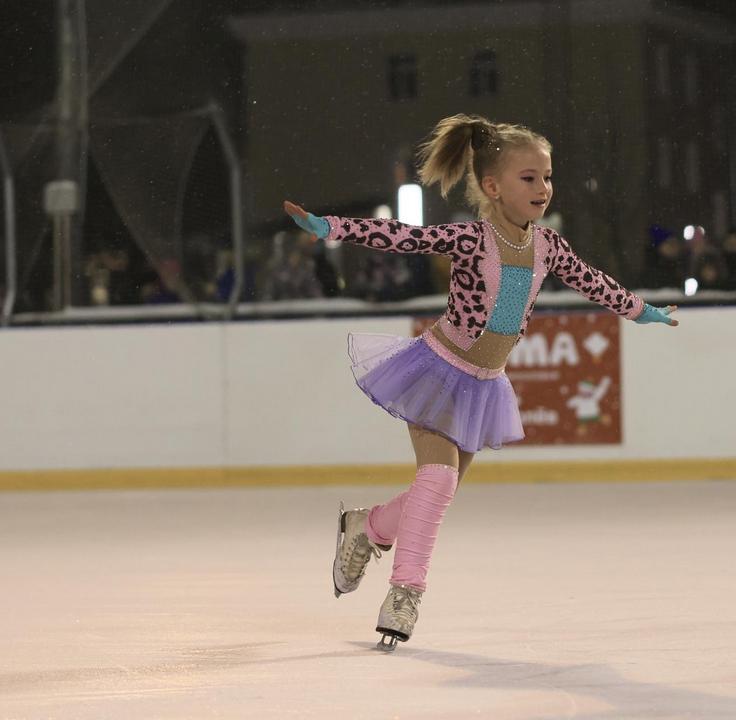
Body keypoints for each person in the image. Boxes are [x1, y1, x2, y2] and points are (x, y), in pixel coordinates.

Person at [283, 114, 679, 651]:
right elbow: (405, 238)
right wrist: (333, 227)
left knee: (436, 491)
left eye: (547, 176)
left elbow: (593, 281)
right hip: (438, 372)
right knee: (439, 482)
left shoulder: (549, 247)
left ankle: (367, 527)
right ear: (493, 187)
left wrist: (640, 310)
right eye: (528, 178)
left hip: (485, 383)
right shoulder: (473, 239)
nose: (542, 188)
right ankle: (406, 592)